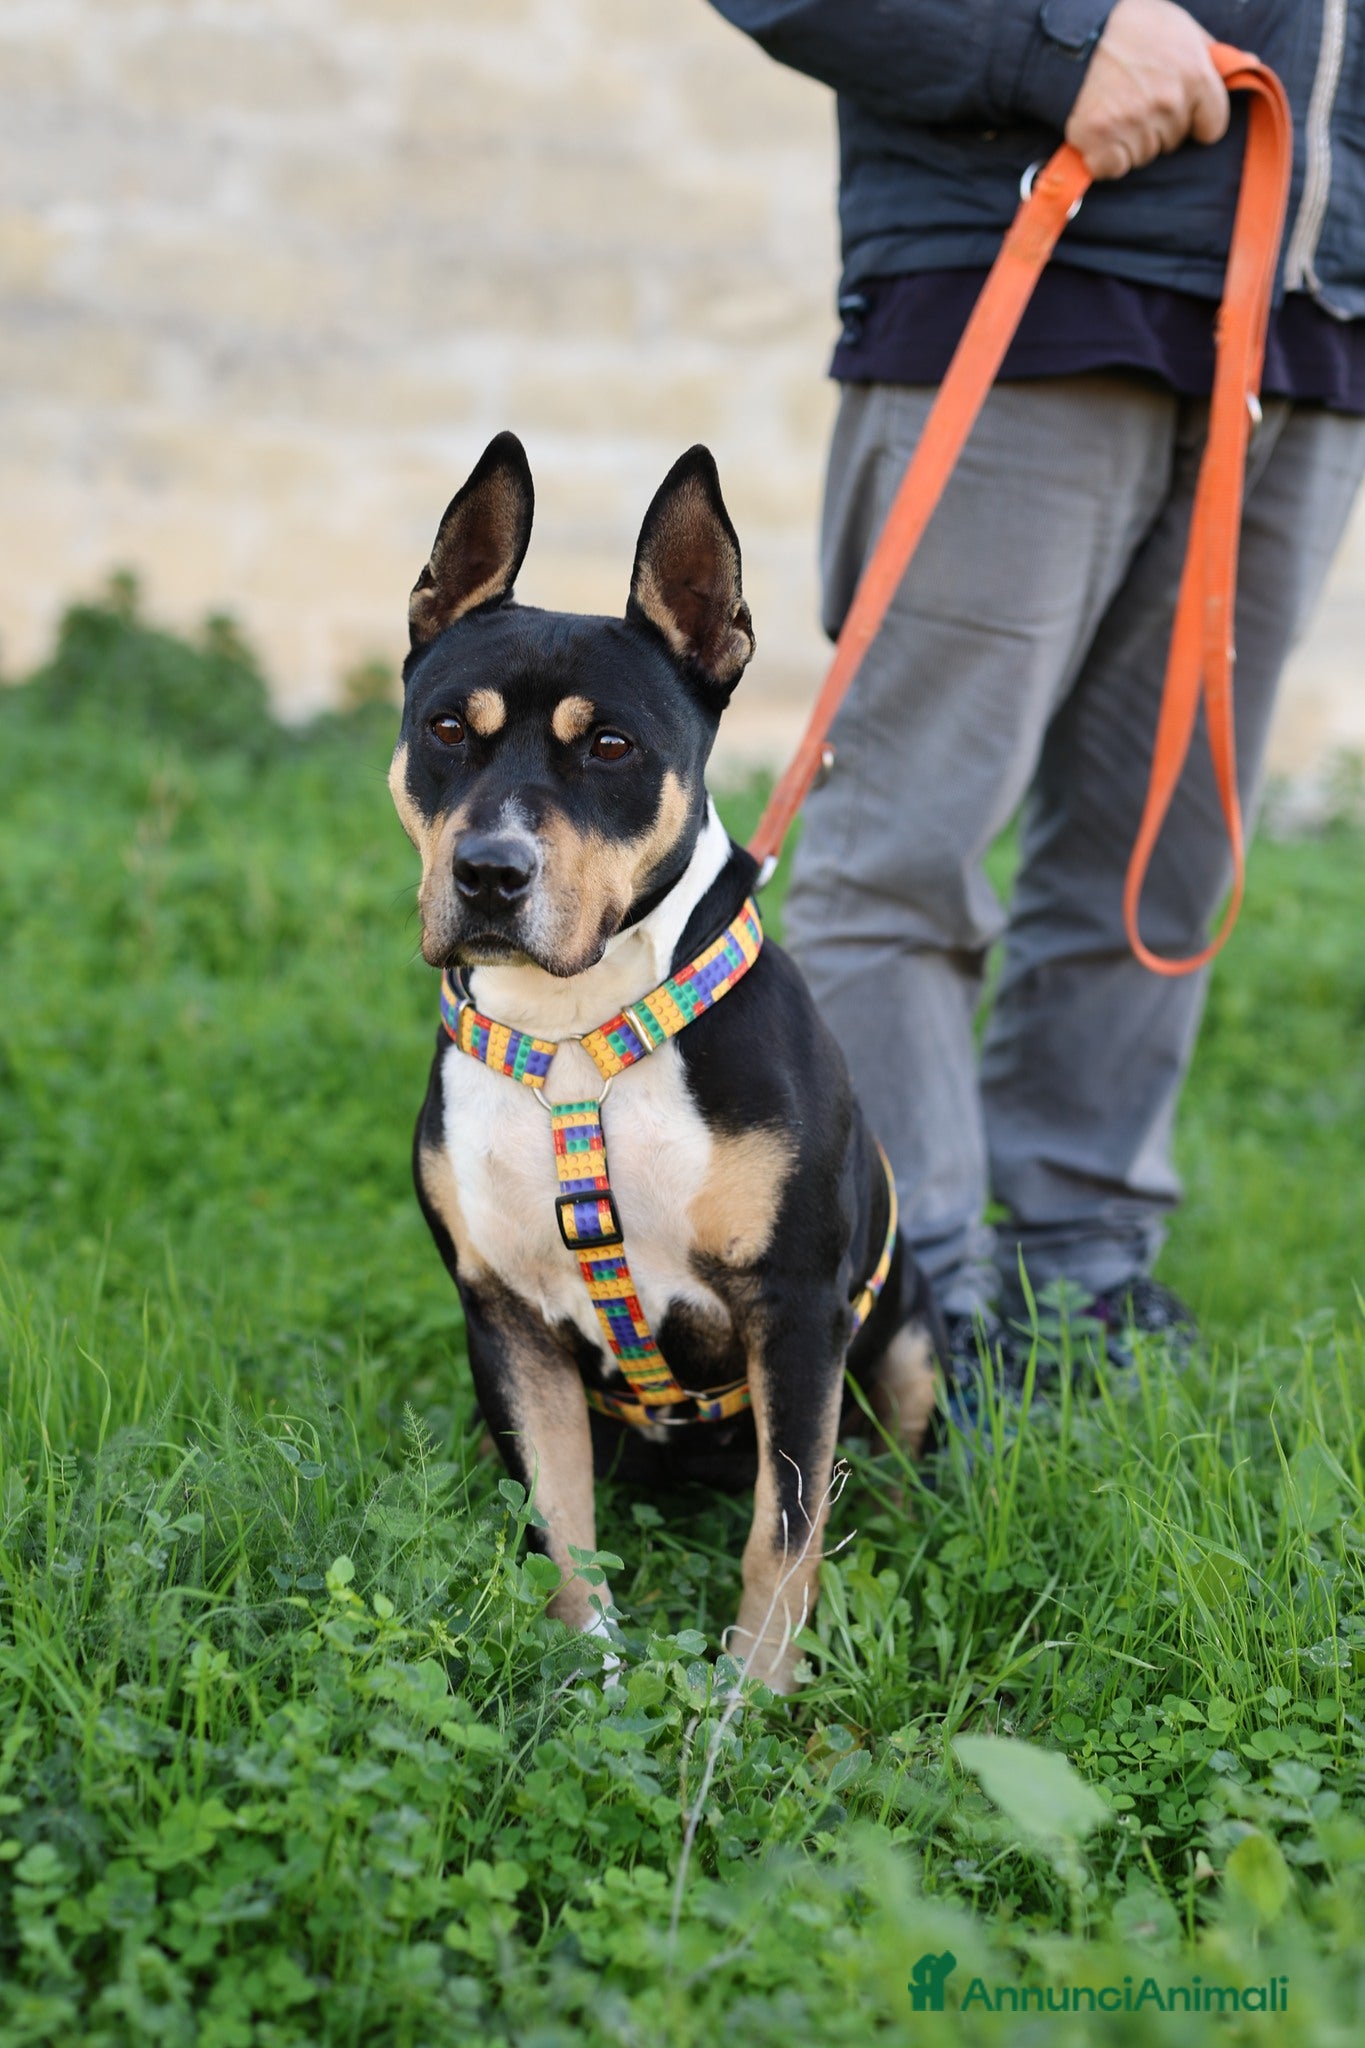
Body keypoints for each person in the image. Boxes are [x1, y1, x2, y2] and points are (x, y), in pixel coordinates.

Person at [706, 0, 1365, 1363]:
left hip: (1312, 327)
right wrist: (1049, 45)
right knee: (903, 849)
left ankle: (1078, 1282)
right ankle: (911, 1301)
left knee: (1159, 857)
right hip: (1028, 269)